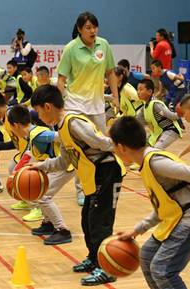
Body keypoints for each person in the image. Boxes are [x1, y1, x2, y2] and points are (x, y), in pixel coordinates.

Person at [110, 116, 190, 289]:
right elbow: (162, 209)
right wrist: (136, 231)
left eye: (113, 146)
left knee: (162, 271)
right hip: (181, 216)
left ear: (121, 147)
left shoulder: (155, 162)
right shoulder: (146, 163)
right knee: (146, 256)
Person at [29, 85, 125, 286]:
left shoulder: (73, 122)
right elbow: (64, 161)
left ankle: (107, 269)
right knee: (87, 221)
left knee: (100, 223)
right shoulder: (61, 128)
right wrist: (41, 166)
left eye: (38, 111)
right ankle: (94, 258)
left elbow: (103, 142)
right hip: (93, 176)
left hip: (106, 171)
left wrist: (130, 152)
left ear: (47, 107)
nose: (38, 116)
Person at [0, 105, 74, 244]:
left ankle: (63, 231)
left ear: (15, 125)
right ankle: (48, 223)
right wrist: (16, 171)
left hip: (65, 166)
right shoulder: (32, 134)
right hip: (55, 166)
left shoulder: (39, 134)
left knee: (44, 197)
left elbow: (62, 135)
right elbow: (29, 154)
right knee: (41, 194)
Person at [56, 11, 119, 134]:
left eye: (95, 27)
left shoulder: (104, 44)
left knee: (100, 143)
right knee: (75, 143)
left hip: (97, 105)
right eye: (88, 28)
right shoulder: (70, 48)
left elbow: (110, 73)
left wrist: (116, 97)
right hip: (75, 105)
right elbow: (61, 79)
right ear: (79, 29)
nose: (93, 31)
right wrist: (60, 104)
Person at [136, 78, 182, 149]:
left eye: (141, 89)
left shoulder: (156, 105)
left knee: (156, 150)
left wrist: (183, 113)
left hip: (170, 130)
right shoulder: (144, 108)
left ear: (149, 91)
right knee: (143, 149)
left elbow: (171, 116)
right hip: (157, 133)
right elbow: (137, 122)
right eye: (137, 89)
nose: (138, 92)